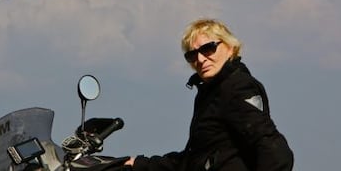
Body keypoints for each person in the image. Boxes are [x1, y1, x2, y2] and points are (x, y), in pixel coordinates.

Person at [126, 18, 294, 171]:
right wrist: (137, 164)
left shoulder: (237, 87)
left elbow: (273, 149)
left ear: (230, 48)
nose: (200, 59)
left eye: (208, 48)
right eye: (192, 55)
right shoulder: (210, 92)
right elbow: (194, 160)